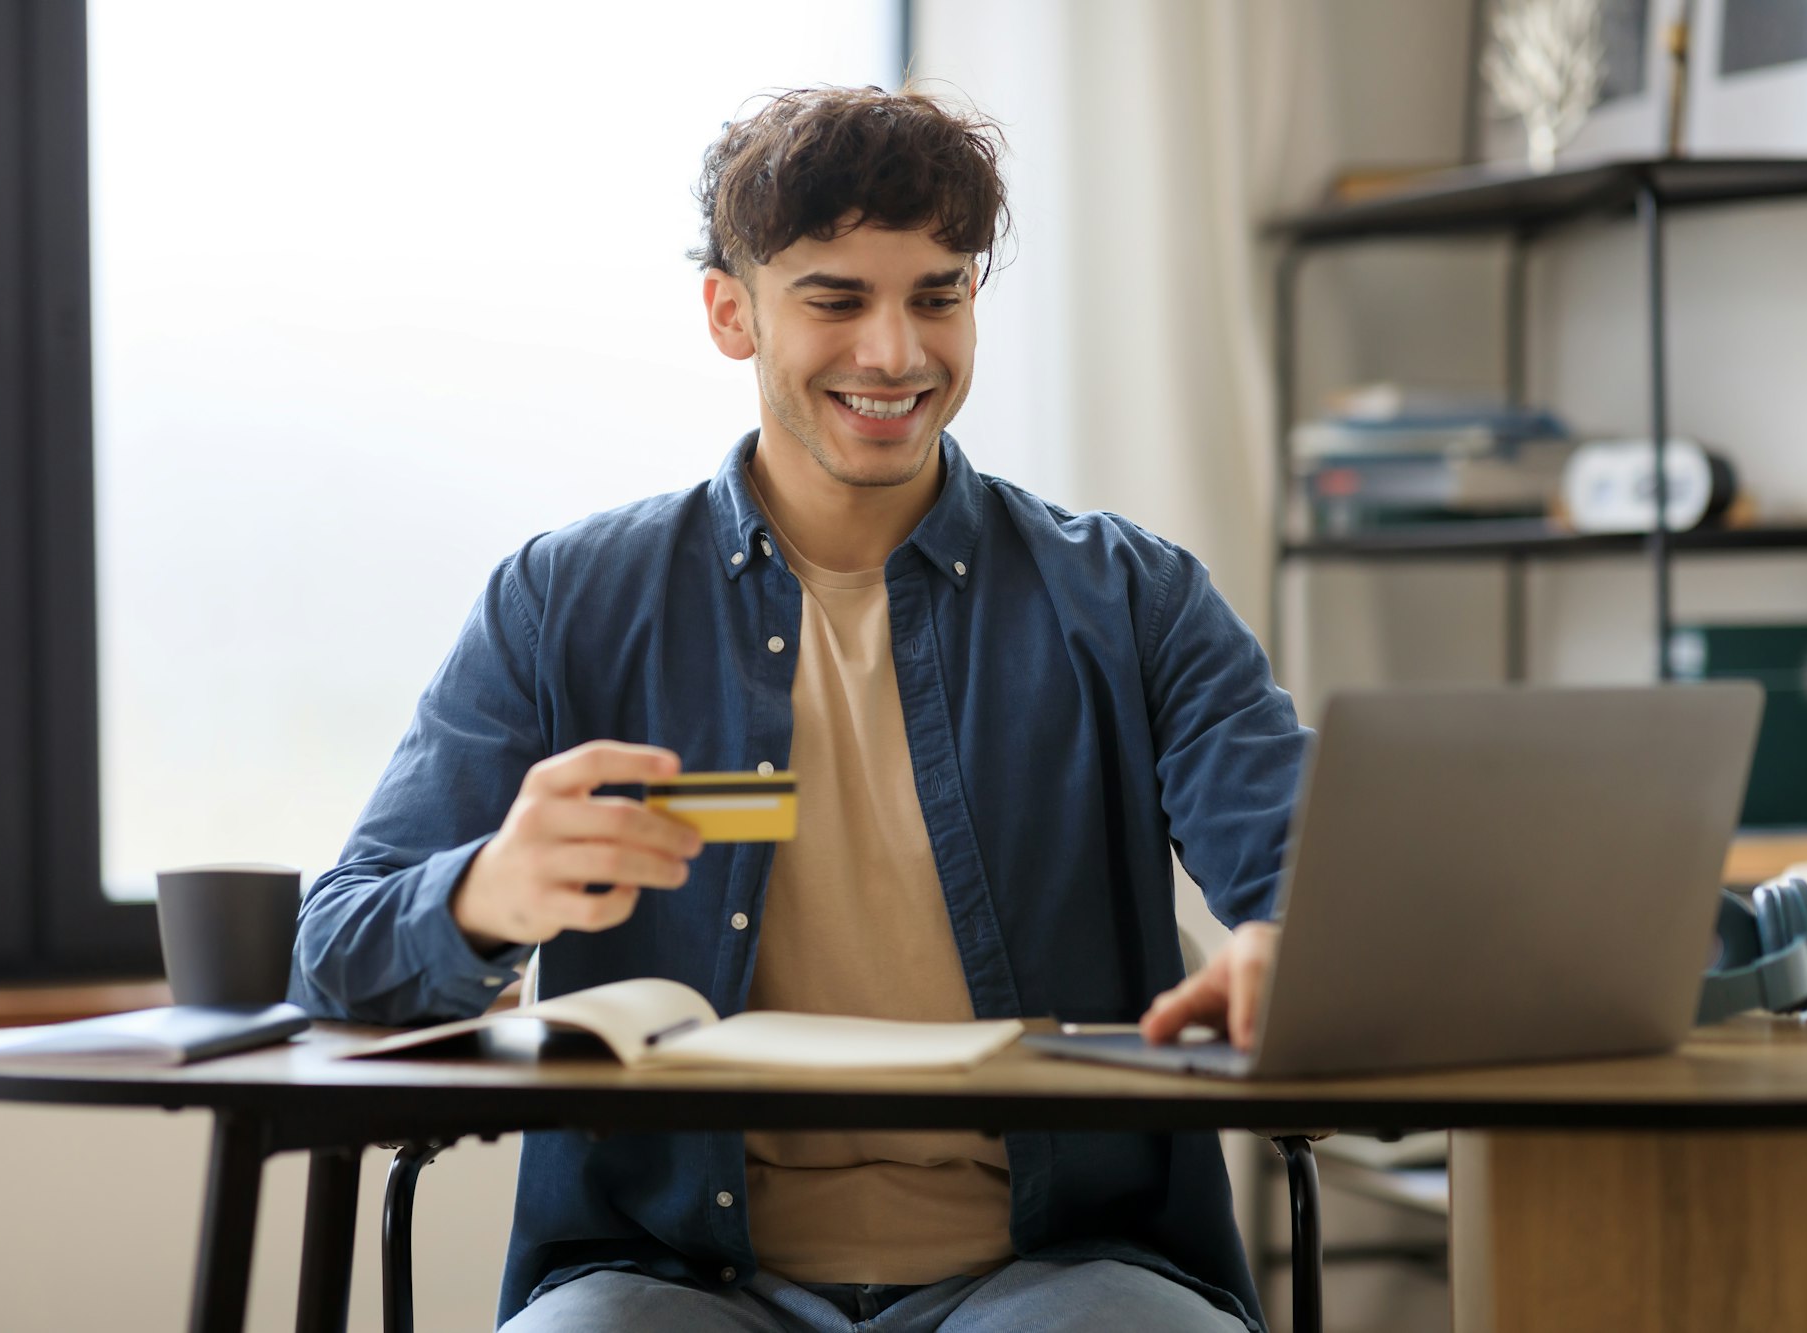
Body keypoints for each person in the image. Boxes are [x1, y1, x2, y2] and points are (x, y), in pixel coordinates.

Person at [291, 84, 1306, 1333]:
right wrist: (486, 893)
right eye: (835, 299)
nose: (896, 353)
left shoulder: (1130, 597)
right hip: (666, 1277)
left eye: (938, 294)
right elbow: (332, 951)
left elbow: (1317, 879)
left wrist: (1294, 948)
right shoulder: (565, 598)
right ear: (732, 313)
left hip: (1064, 1269)